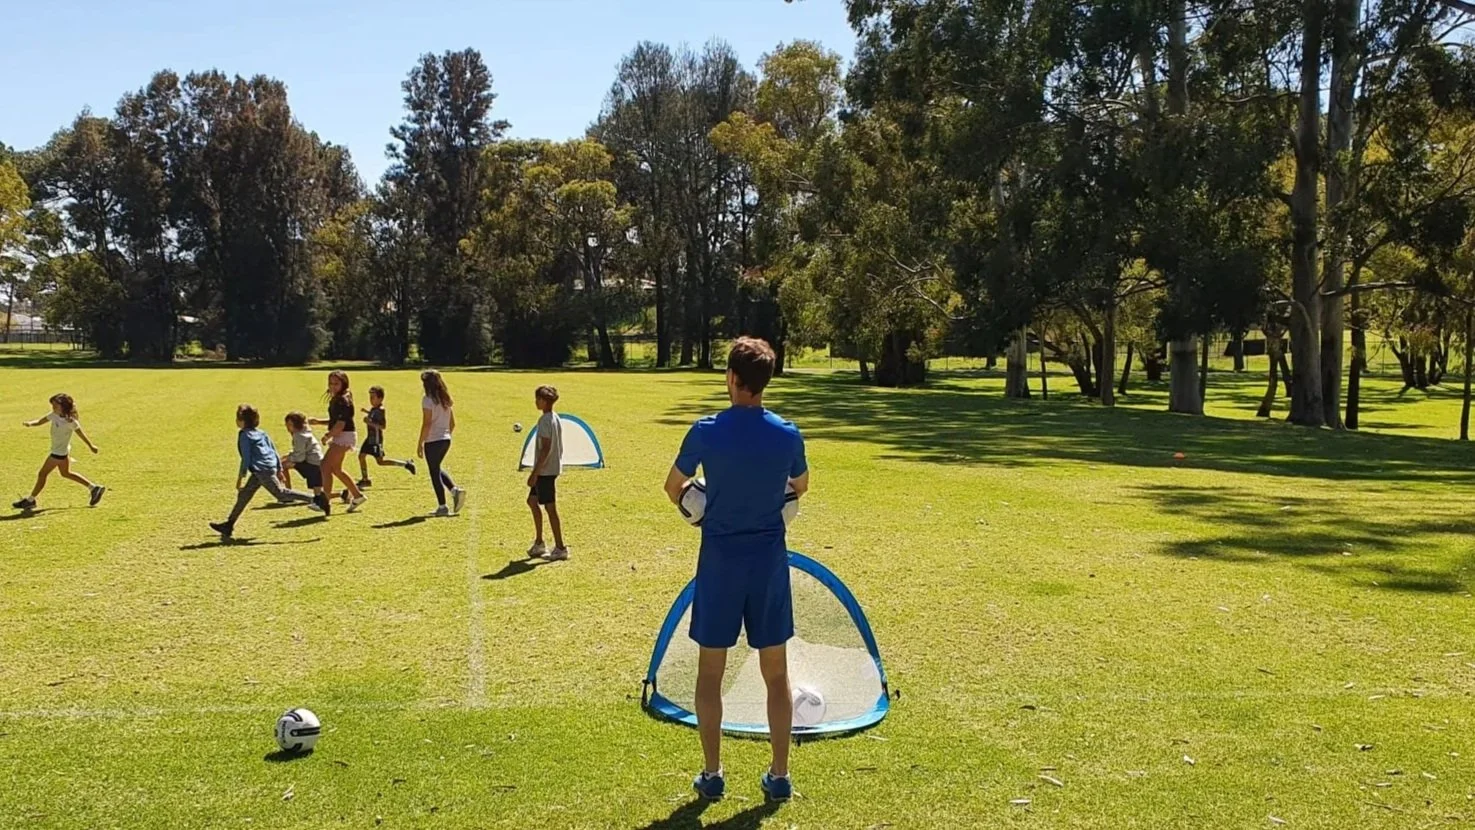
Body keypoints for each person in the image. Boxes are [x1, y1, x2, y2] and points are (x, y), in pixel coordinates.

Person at [663, 337, 809, 803]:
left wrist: (703, 505)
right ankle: (780, 775)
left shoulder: (706, 430)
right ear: (766, 381)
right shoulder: (788, 433)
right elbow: (800, 486)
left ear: (731, 378)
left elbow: (673, 487)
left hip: (720, 564)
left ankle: (712, 774)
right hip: (768, 565)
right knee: (776, 674)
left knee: (710, 674)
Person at [210, 404, 319, 539]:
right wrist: (278, 469)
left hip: (262, 470)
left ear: (241, 421)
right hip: (264, 468)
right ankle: (229, 525)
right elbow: (273, 451)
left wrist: (240, 478)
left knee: (281, 494)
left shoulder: (244, 435)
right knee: (244, 496)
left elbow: (246, 458)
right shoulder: (262, 433)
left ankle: (317, 499)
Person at [13, 393, 106, 511]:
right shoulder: (54, 415)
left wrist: (91, 446)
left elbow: (81, 435)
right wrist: (31, 423)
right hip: (61, 451)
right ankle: (94, 488)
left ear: (63, 406)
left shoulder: (71, 422)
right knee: (66, 473)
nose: (53, 408)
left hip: (58, 453)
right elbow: (40, 421)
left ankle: (30, 500)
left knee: (42, 474)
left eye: (55, 406)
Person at [309, 370, 366, 512]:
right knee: (336, 469)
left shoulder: (342, 400)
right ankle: (357, 496)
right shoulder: (340, 398)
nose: (333, 386)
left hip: (343, 436)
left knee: (324, 466)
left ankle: (325, 500)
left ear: (343, 384)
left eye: (336, 383)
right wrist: (319, 422)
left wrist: (328, 435)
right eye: (330, 383)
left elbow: (340, 425)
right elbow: (336, 421)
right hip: (344, 435)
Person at [525, 385, 568, 561]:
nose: (536, 402)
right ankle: (539, 542)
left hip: (545, 471)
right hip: (549, 469)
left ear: (544, 401)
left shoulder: (544, 421)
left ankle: (560, 547)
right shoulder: (554, 417)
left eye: (538, 399)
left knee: (550, 508)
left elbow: (546, 448)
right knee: (532, 501)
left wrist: (535, 472)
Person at [417, 370, 465, 517]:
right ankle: (454, 490)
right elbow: (452, 423)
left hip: (433, 440)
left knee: (433, 472)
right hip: (445, 439)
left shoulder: (428, 400)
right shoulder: (445, 399)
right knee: (436, 468)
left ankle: (442, 506)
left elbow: (427, 423)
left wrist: (420, 443)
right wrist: (446, 434)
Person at [356, 386, 417, 488]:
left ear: (380, 399)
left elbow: (383, 426)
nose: (370, 400)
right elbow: (373, 415)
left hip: (375, 439)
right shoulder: (374, 409)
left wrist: (369, 422)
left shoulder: (380, 410)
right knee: (361, 456)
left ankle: (406, 464)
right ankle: (365, 479)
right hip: (370, 438)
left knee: (380, 461)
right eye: (370, 397)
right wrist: (367, 412)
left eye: (373, 397)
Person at [282, 412, 332, 515]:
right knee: (317, 487)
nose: (287, 427)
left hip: (312, 464)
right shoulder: (304, 433)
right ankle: (324, 502)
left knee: (283, 465)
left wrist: (289, 458)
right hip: (317, 462)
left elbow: (299, 457)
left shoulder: (299, 436)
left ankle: (288, 494)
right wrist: (289, 456)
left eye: (289, 424)